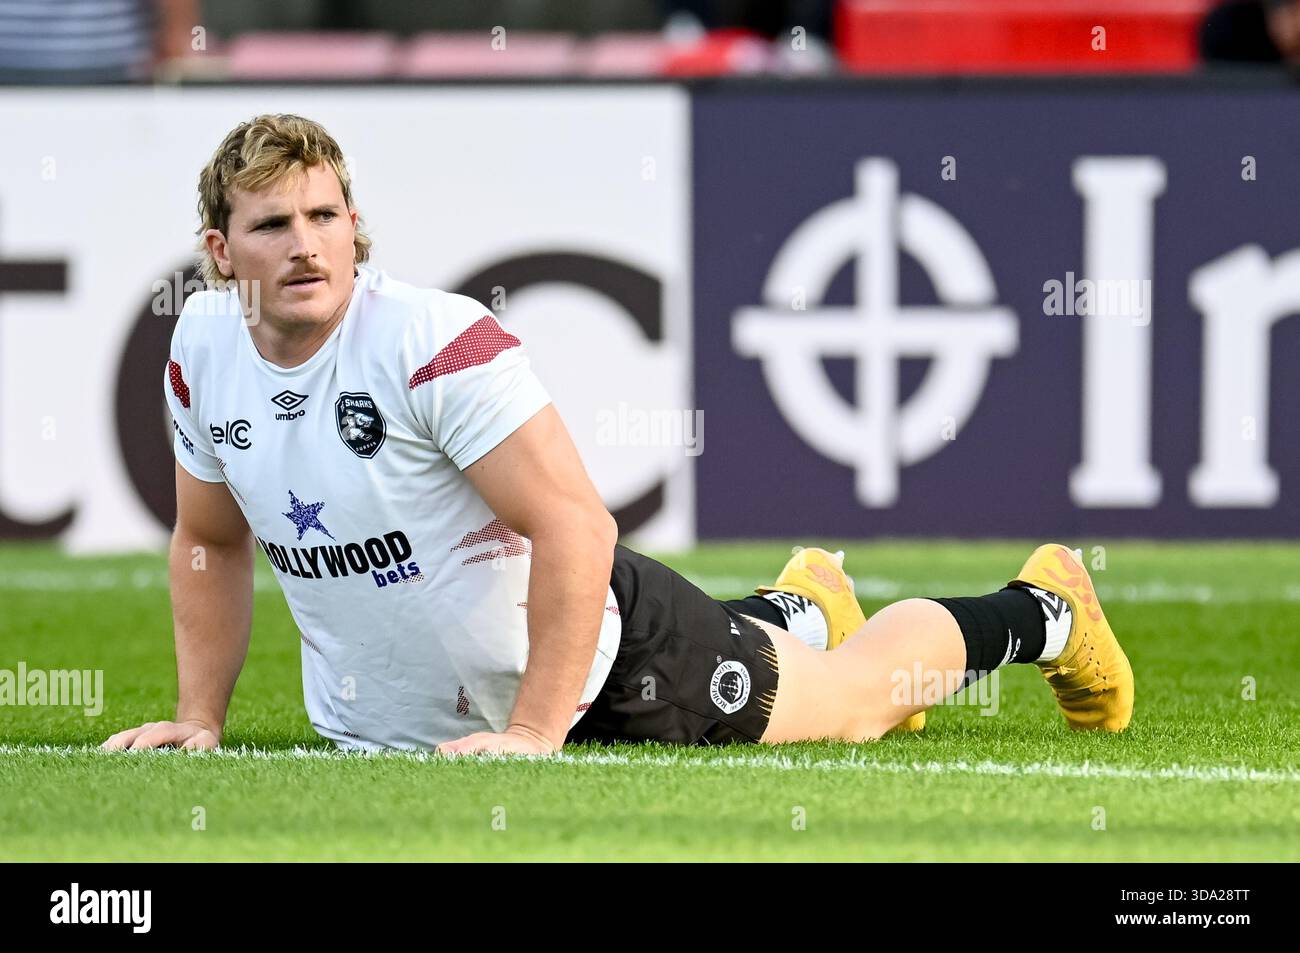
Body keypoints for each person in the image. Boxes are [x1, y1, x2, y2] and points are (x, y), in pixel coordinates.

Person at [102, 114, 1133, 758]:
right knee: (801, 657)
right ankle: (797, 607)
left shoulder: (427, 343)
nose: (306, 245)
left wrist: (533, 733)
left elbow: (575, 527)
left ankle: (1041, 606)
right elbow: (212, 538)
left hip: (606, 668)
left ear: (355, 224)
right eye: (273, 225)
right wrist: (201, 717)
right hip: (435, 727)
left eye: (324, 216)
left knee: (862, 703)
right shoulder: (201, 346)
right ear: (219, 251)